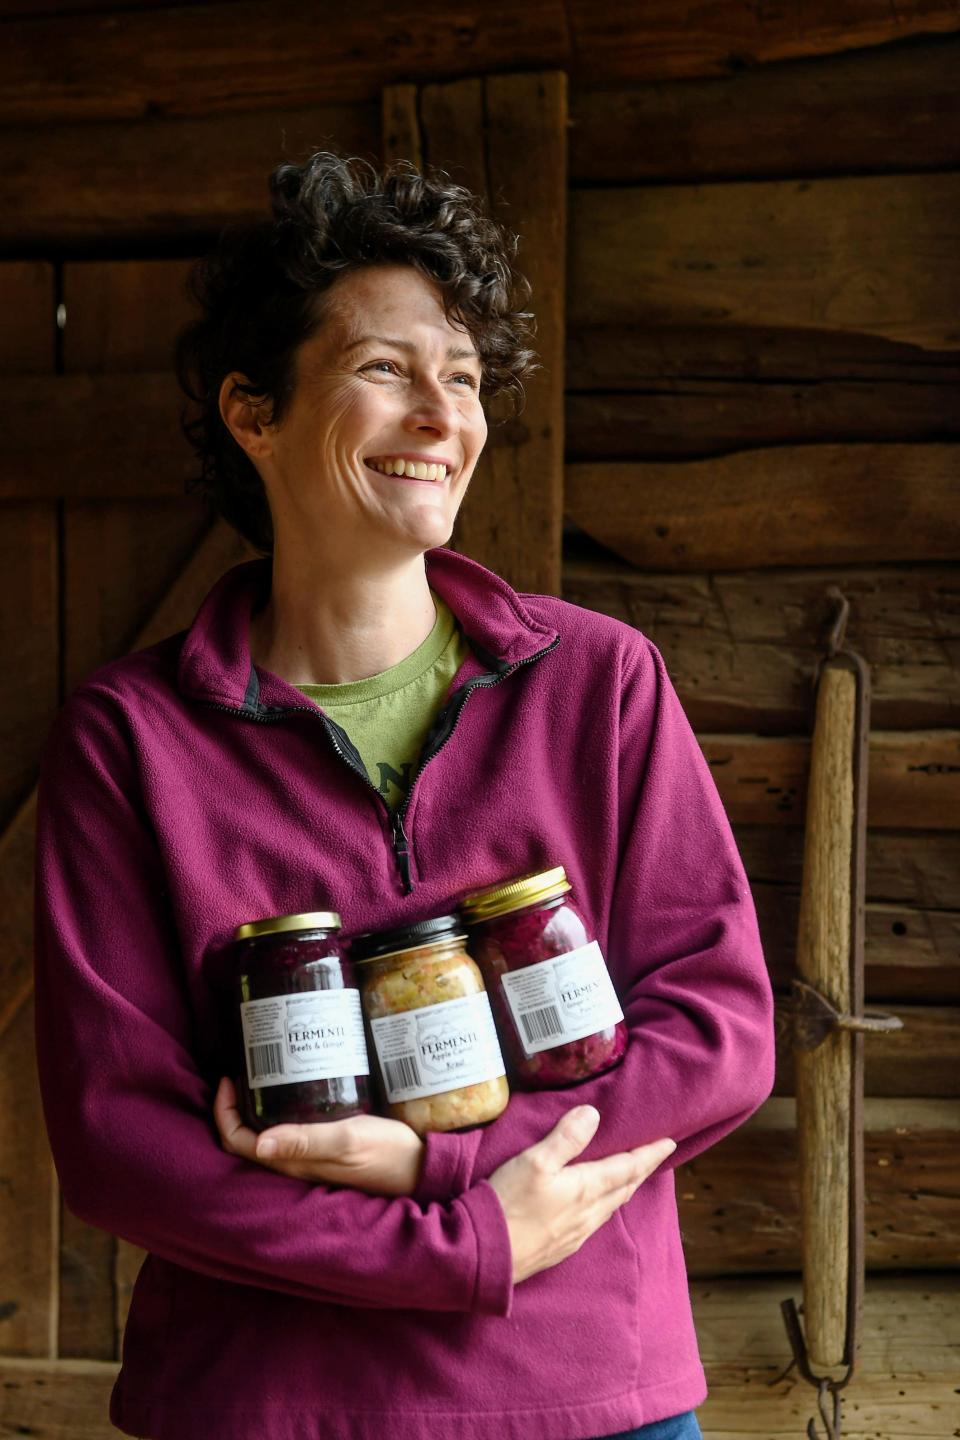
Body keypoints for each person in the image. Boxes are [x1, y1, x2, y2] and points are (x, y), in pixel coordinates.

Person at [33, 152, 775, 1440]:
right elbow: (120, 1141)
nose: (444, 415)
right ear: (253, 413)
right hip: (267, 1408)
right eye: (385, 369)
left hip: (589, 1396)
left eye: (467, 378)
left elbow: (716, 1030)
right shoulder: (129, 739)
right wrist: (464, 1241)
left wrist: (442, 1163)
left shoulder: (596, 681)